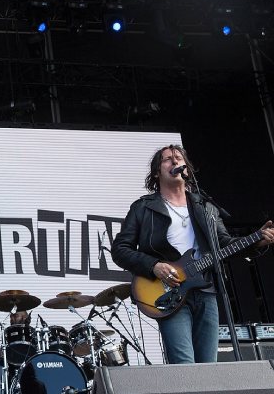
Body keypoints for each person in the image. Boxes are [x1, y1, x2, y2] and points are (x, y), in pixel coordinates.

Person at [111, 144, 274, 364]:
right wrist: (154, 266)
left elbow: (224, 244)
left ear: (187, 168)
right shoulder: (143, 208)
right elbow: (120, 250)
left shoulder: (205, 206)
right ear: (157, 171)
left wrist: (257, 240)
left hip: (206, 290)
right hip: (169, 292)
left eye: (179, 158)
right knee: (184, 366)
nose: (175, 162)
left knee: (209, 366)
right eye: (168, 159)